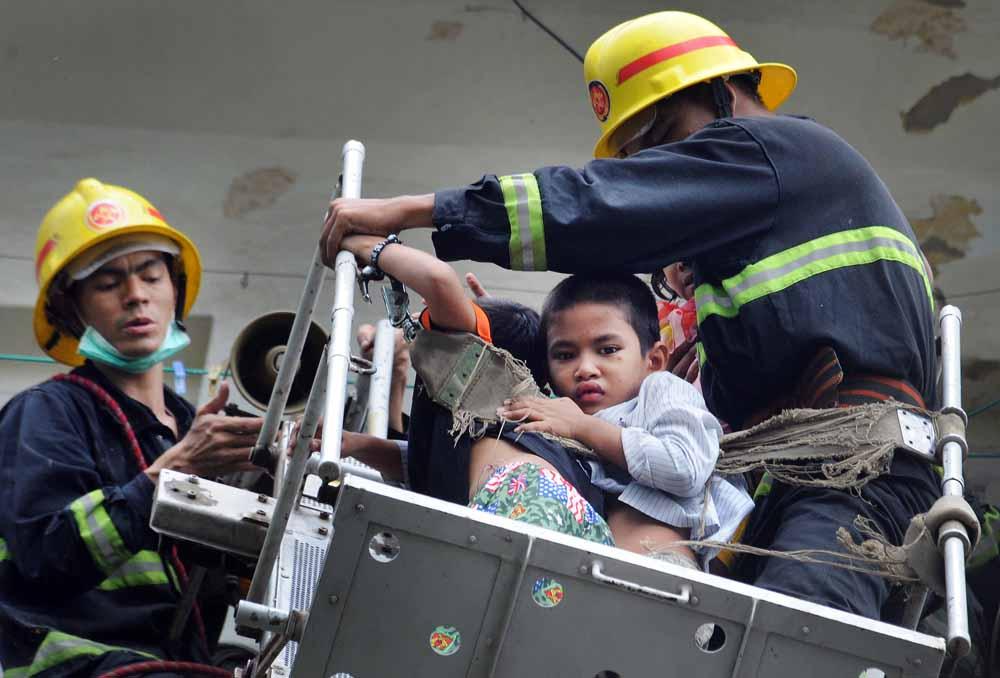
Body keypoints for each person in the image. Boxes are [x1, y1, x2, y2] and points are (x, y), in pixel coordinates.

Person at [319, 11, 939, 619]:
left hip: (856, 475)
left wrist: (409, 213)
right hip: (790, 484)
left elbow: (596, 207)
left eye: (665, 138)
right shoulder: (760, 246)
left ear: (723, 95)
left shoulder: (776, 151)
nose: (661, 171)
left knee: (800, 650)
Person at [0, 179, 263, 676]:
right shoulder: (45, 415)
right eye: (107, 282)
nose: (135, 296)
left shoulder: (191, 429)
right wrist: (171, 472)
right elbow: (44, 560)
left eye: (151, 274)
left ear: (176, 288)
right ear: (69, 309)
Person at [334, 233, 616, 546]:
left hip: (524, 495)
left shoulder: (469, 365)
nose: (421, 324)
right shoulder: (502, 416)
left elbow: (439, 281)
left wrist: (363, 245)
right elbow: (417, 464)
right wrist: (352, 444)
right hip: (568, 518)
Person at [498, 274, 752, 568]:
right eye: (565, 355)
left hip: (663, 568)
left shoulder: (661, 390)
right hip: (583, 574)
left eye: (608, 350)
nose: (585, 368)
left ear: (654, 360)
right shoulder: (559, 416)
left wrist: (583, 427)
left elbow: (683, 468)